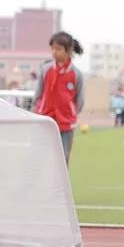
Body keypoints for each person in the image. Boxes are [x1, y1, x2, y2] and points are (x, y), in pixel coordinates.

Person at [34, 32, 85, 165]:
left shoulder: (76, 74)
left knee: (62, 158)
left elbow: (80, 100)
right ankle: (41, 184)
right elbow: (38, 93)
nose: (54, 52)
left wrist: (71, 113)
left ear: (68, 51)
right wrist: (37, 111)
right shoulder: (46, 70)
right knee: (41, 156)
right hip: (45, 119)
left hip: (66, 123)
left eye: (58, 49)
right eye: (53, 48)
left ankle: (61, 186)